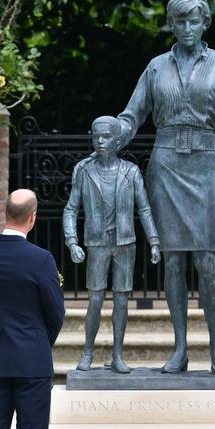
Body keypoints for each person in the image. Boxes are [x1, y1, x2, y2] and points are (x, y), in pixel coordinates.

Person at [103, 0, 215, 375]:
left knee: (206, 258)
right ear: (171, 23)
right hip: (165, 166)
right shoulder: (156, 67)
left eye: (193, 20)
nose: (186, 27)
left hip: (203, 165)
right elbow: (132, 115)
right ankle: (180, 348)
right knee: (172, 261)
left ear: (205, 23)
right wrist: (110, 135)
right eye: (179, 20)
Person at [63, 116, 161, 373]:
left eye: (106, 137)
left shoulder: (130, 172)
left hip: (125, 243)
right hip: (97, 243)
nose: (100, 141)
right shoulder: (84, 171)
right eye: (96, 137)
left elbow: (145, 209)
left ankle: (118, 355)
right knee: (95, 299)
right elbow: (71, 209)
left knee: (121, 300)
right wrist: (72, 242)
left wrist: (153, 240)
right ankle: (88, 352)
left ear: (118, 141)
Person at [0, 189, 65, 429]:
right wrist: (38, 340)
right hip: (32, 359)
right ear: (32, 217)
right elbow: (55, 313)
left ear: (5, 213)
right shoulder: (41, 259)